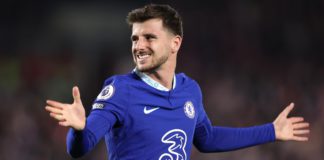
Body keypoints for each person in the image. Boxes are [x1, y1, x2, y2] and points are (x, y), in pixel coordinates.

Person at [45, 4, 310, 160]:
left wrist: (271, 131)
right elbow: (80, 148)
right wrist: (78, 129)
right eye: (135, 38)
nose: (139, 45)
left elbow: (207, 139)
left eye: (149, 37)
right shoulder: (120, 90)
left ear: (175, 43)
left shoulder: (189, 90)